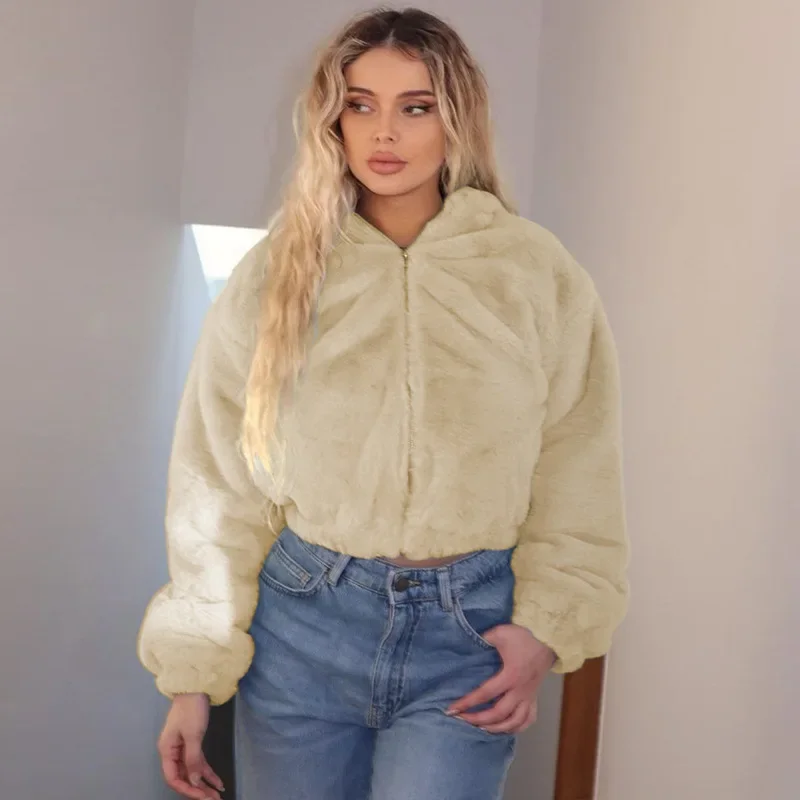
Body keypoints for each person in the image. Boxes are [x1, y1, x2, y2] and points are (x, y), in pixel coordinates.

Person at [137, 7, 629, 800]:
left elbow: (578, 461)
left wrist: (547, 628)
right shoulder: (276, 274)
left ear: (456, 118)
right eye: (360, 104)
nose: (384, 132)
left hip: (465, 634)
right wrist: (192, 675)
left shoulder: (534, 273)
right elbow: (218, 483)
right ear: (331, 119)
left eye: (416, 106)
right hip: (303, 624)